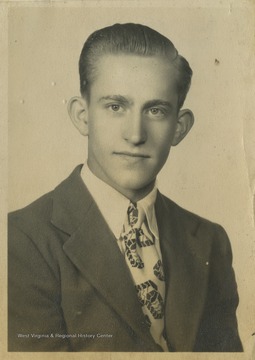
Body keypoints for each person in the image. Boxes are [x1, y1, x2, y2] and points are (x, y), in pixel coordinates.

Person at [8, 23, 243, 352]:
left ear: (179, 127)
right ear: (82, 115)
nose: (135, 134)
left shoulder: (209, 241)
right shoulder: (20, 239)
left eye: (156, 110)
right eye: (115, 107)